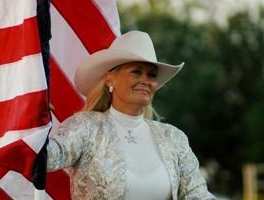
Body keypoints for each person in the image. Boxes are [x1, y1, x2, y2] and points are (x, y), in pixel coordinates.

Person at [47, 31, 216, 200]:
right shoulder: (85, 127)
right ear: (110, 79)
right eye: (136, 72)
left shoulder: (173, 138)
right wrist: (33, 118)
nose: (145, 80)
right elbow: (46, 158)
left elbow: (197, 194)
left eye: (151, 75)